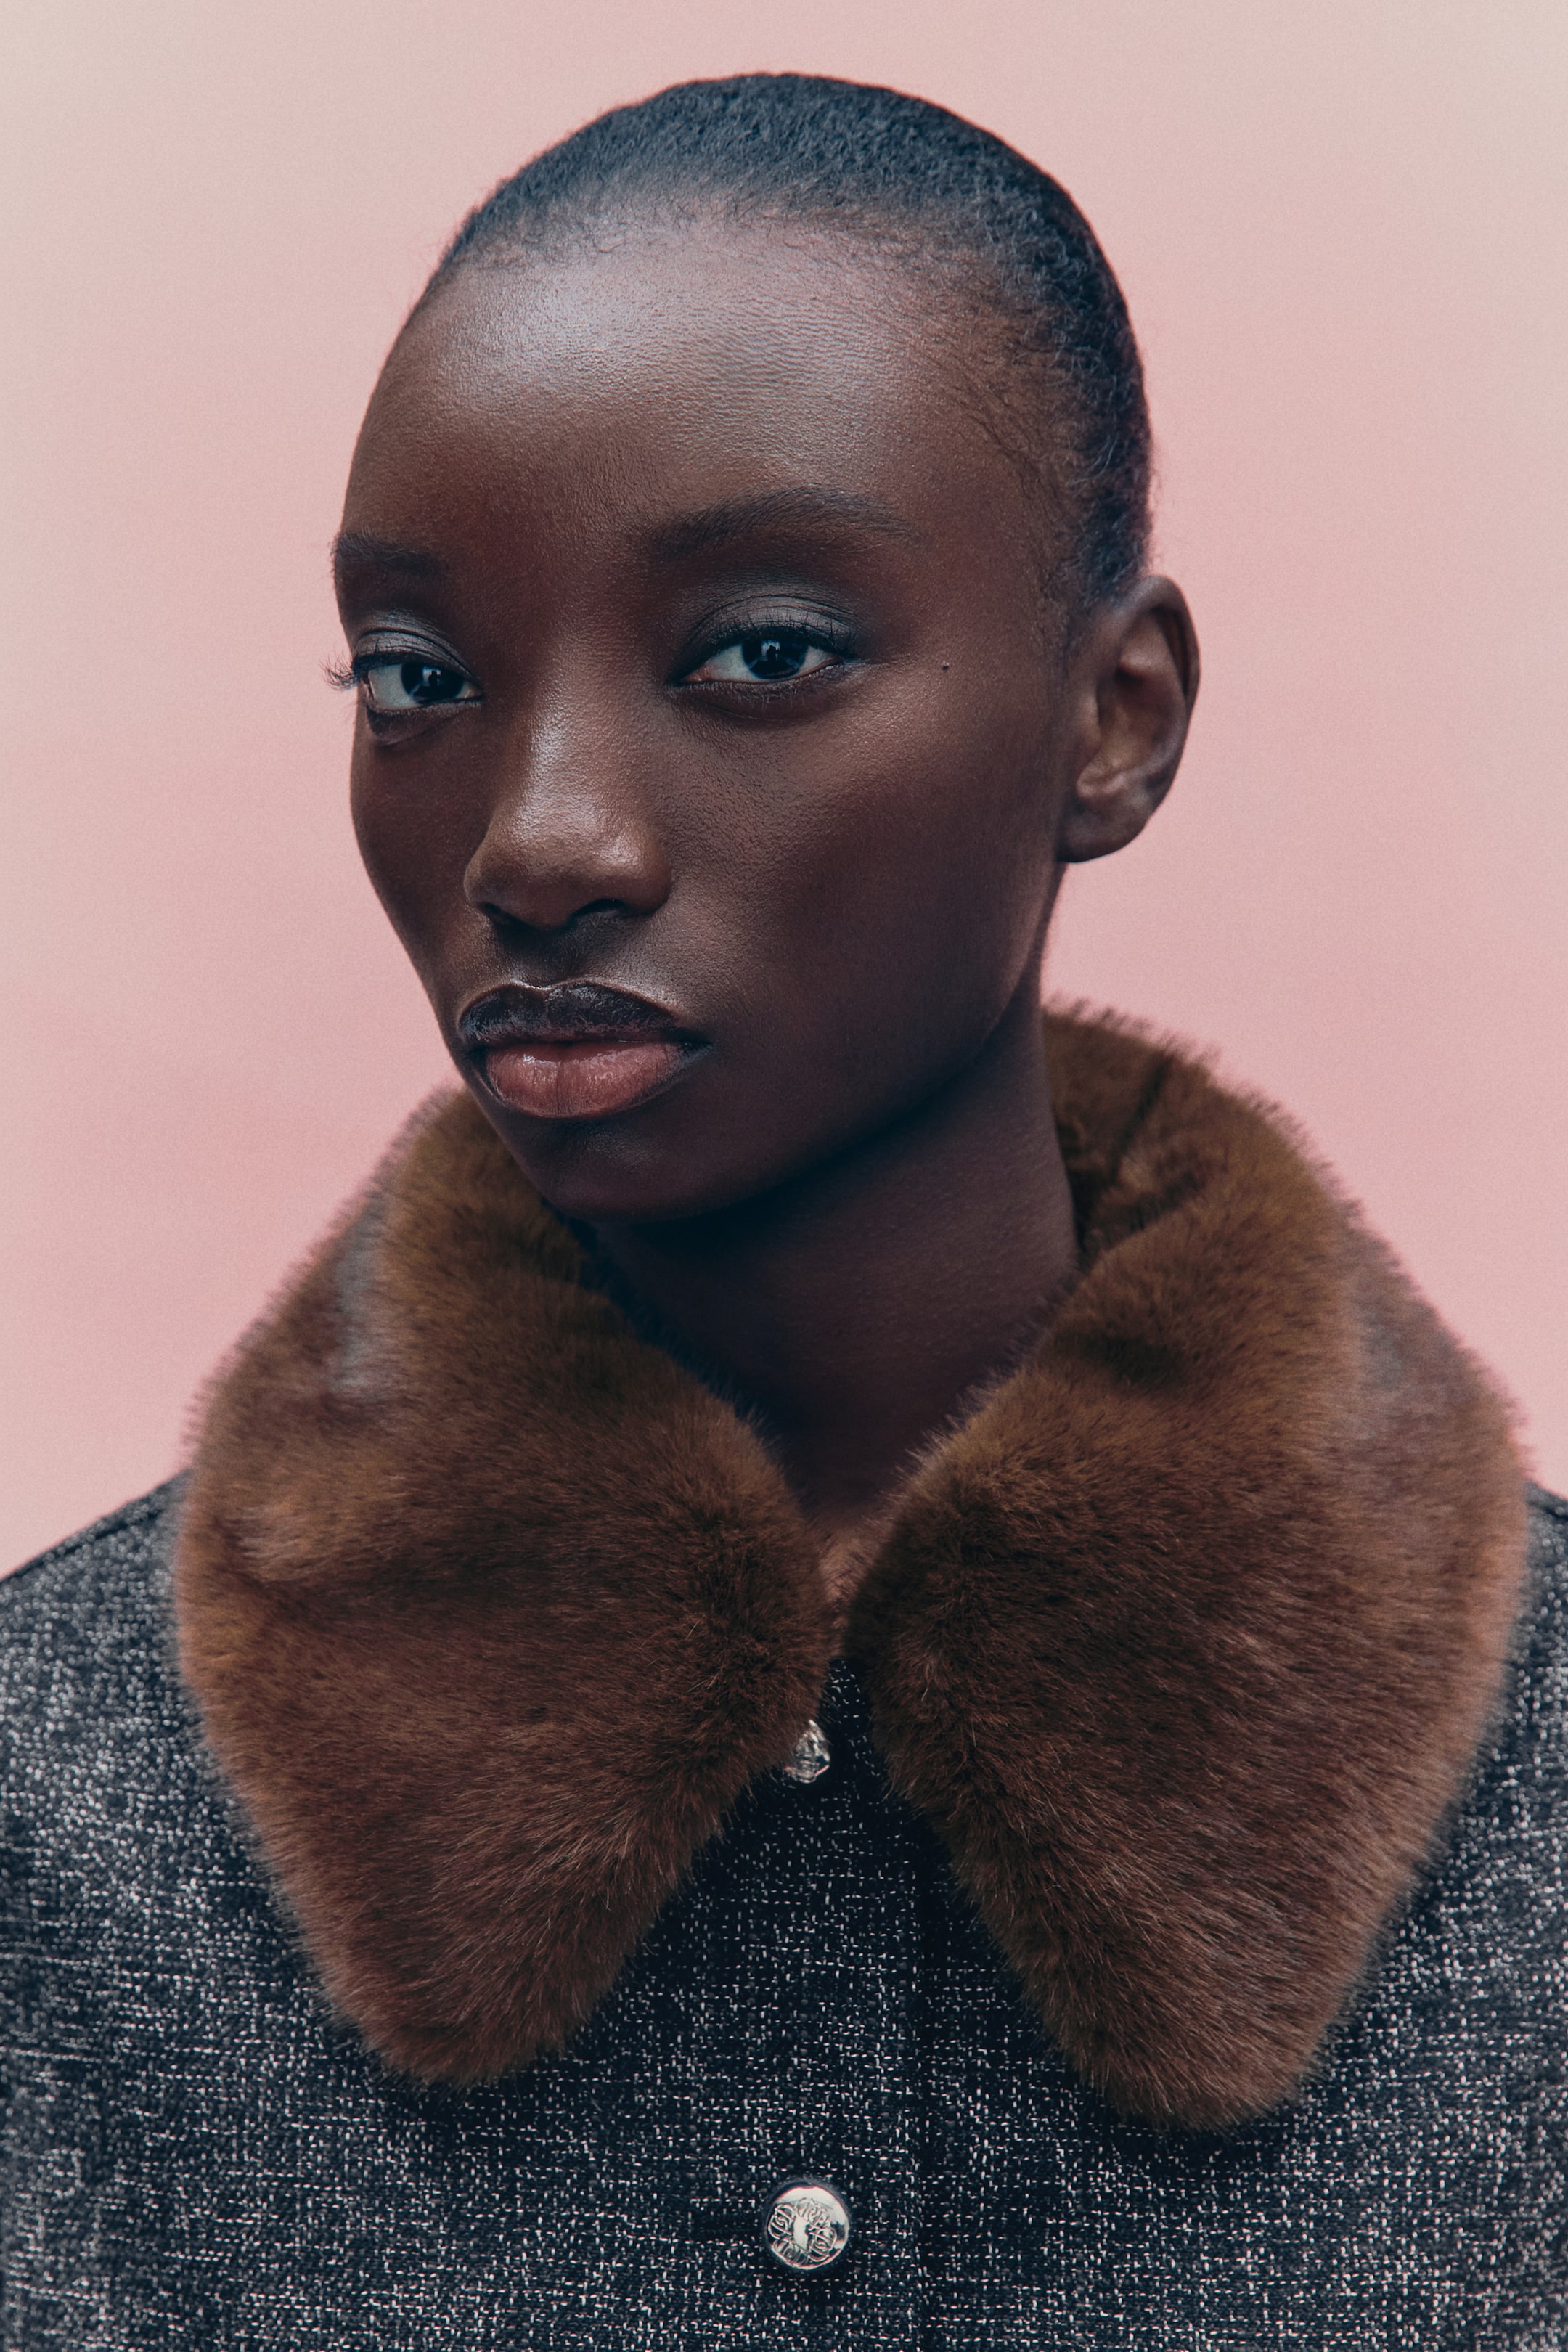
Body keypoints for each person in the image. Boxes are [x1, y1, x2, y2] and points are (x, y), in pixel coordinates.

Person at [2, 73, 1561, 2350]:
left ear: (1116, 720)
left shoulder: (1534, 1801)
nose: (539, 841)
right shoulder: (53, 1815)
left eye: (758, 655)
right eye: (421, 680)